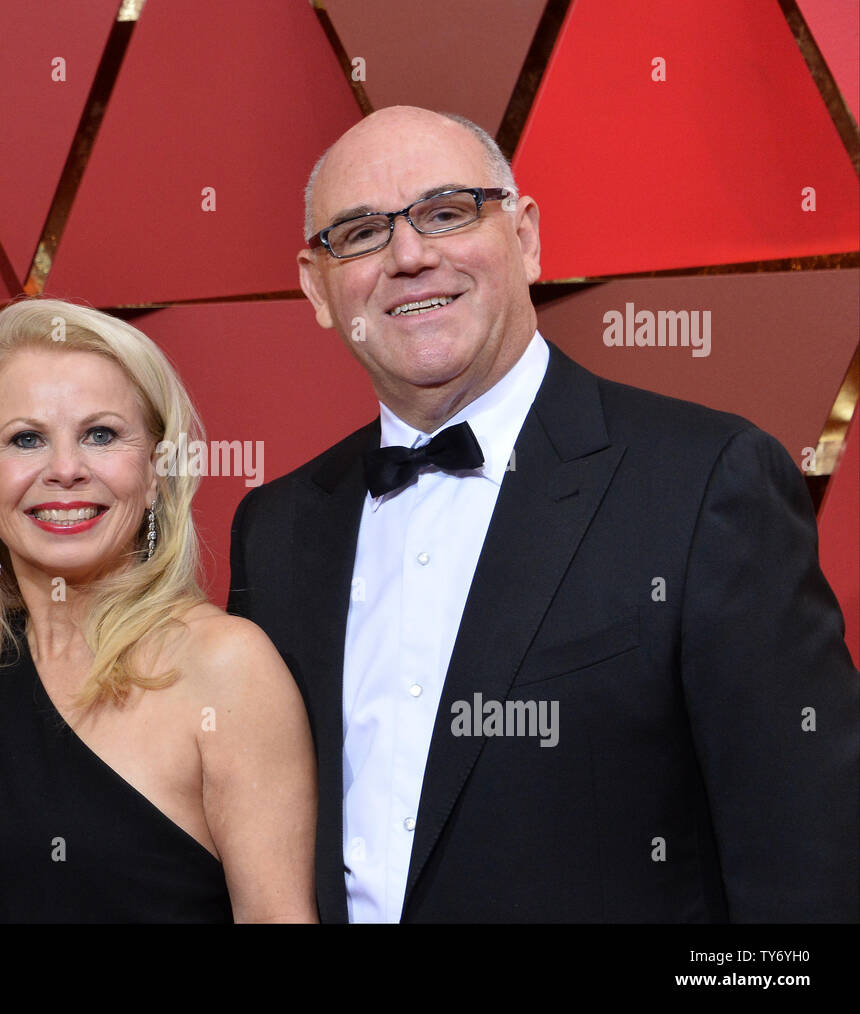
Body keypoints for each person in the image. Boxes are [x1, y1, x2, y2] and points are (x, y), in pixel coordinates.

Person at [227, 106, 859, 923]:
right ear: (317, 288)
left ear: (524, 237)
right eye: (359, 234)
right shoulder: (276, 530)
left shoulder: (705, 482)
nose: (410, 256)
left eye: (447, 213)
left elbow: (809, 869)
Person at [0, 298, 317, 923]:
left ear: (155, 470)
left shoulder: (226, 668)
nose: (65, 470)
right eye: (27, 439)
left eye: (101, 435)